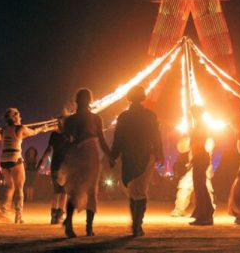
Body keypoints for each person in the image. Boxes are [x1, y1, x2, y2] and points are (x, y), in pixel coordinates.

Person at [110, 85, 164, 237]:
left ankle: (136, 223)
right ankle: (137, 224)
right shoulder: (150, 115)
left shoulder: (123, 116)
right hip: (145, 156)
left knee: (134, 190)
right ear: (143, 98)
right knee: (139, 190)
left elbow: (117, 139)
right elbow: (156, 136)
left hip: (129, 157)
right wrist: (160, 153)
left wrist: (113, 155)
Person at [61, 88, 112, 238]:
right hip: (87, 154)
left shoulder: (72, 120)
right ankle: (84, 227)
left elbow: (65, 141)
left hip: (80, 154)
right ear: (89, 100)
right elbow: (101, 141)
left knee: (78, 190)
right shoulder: (93, 119)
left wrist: (110, 155)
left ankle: (73, 224)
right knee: (85, 190)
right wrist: (111, 156)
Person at [0, 108, 55, 223]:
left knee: (10, 187)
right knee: (19, 189)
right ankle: (18, 216)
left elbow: (18, 137)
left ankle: (5, 207)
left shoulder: (3, 130)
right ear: (14, 117)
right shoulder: (20, 128)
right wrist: (42, 128)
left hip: (4, 161)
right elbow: (33, 132)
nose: (20, 116)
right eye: (18, 114)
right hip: (15, 159)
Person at [38, 104, 73, 225]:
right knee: (59, 191)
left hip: (62, 164)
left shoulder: (63, 134)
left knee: (61, 191)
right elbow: (49, 149)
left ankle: (57, 214)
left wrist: (41, 161)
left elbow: (49, 149)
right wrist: (41, 160)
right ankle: (56, 215)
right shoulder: (62, 135)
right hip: (60, 164)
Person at [188, 104, 215, 225]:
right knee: (200, 186)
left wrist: (194, 158)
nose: (193, 115)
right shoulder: (199, 125)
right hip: (199, 157)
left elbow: (198, 143)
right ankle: (205, 213)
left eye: (194, 113)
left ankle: (204, 215)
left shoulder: (201, 126)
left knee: (200, 186)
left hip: (200, 157)